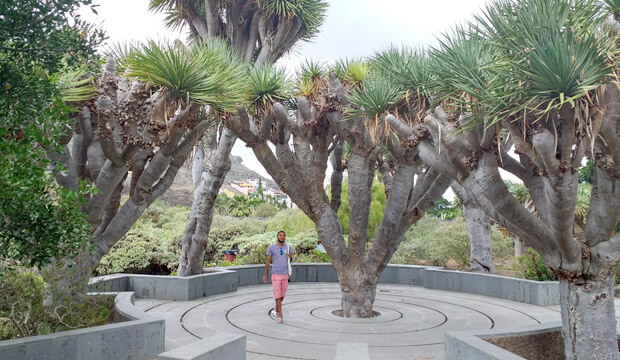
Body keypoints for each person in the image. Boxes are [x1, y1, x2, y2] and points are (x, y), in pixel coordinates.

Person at [263, 230, 293, 323]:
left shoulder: (288, 247)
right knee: (277, 296)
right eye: (280, 235)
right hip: (276, 274)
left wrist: (290, 257)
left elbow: (290, 260)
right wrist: (265, 274)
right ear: (277, 236)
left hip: (285, 274)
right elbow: (268, 261)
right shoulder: (272, 247)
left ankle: (276, 308)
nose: (282, 237)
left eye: (284, 236)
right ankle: (280, 315)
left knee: (282, 295)